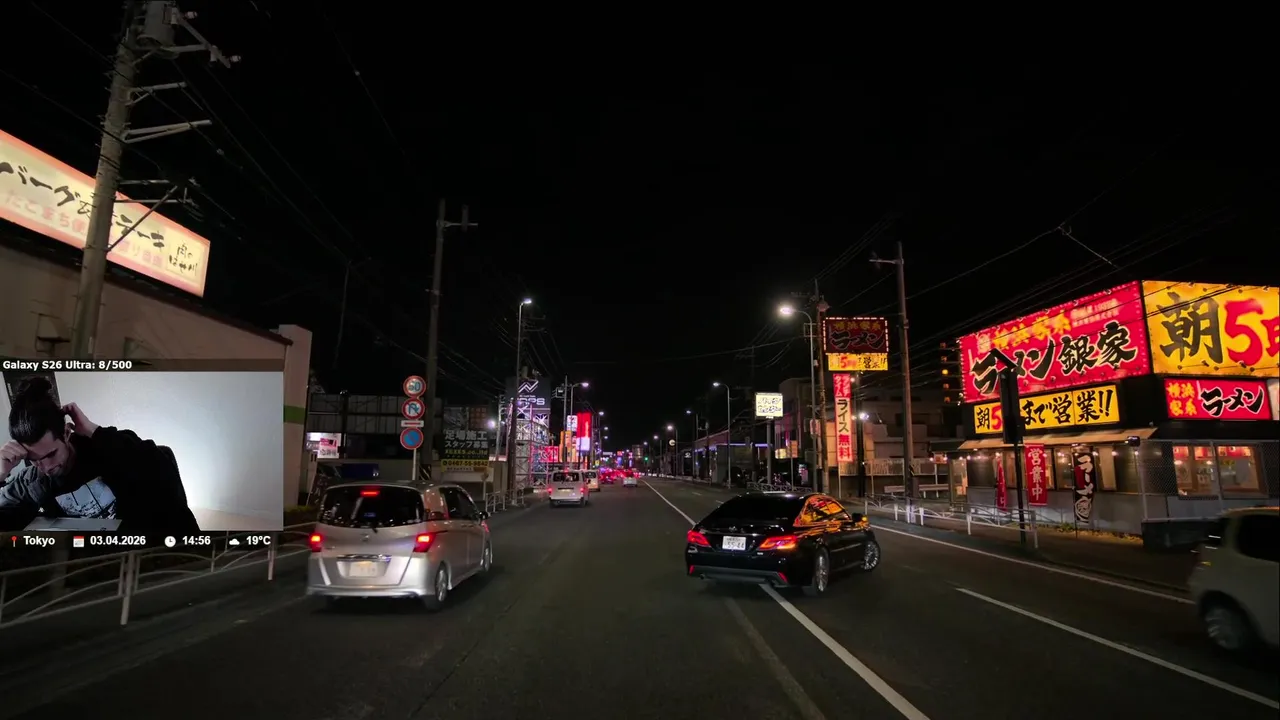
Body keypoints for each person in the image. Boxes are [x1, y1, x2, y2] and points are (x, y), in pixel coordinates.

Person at [0, 376, 200, 535]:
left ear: (66, 433)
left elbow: (161, 468)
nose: (46, 467)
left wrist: (94, 431)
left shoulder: (108, 447)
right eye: (34, 460)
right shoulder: (32, 481)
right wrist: (0, 474)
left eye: (51, 454)